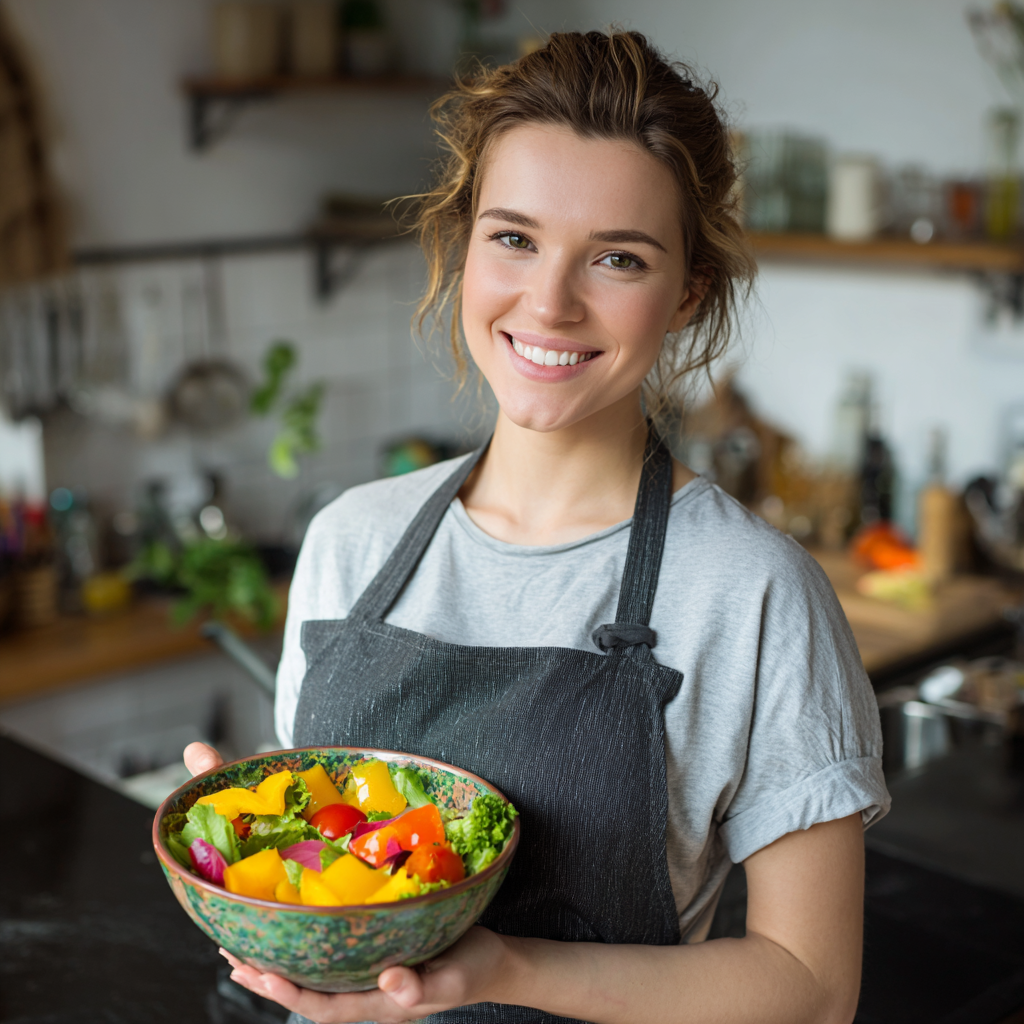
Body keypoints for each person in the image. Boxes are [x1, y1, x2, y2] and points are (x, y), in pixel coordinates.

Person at [185, 29, 889, 1024]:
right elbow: (329, 889)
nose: (549, 303)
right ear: (463, 244)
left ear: (686, 291)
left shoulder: (752, 589)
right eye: (513, 238)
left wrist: (503, 969)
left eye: (617, 257)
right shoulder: (354, 540)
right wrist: (239, 855)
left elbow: (812, 988)